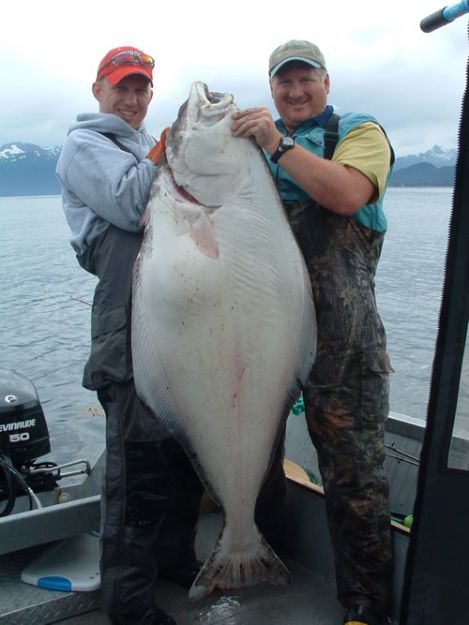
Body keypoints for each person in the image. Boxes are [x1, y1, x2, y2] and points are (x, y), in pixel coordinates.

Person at [232, 40, 394, 625]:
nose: (295, 92)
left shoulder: (359, 132)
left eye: (306, 80)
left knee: (354, 476)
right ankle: (256, 565)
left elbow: (347, 194)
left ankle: (364, 603)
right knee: (255, 457)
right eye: (284, 83)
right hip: (264, 339)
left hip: (344, 346)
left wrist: (275, 143)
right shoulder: (249, 146)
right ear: (271, 87)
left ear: (327, 82)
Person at [56, 46, 204, 625]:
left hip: (177, 318)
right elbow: (132, 201)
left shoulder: (146, 147)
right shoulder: (84, 145)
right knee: (137, 466)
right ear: (98, 90)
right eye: (122, 86)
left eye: (143, 87)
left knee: (182, 453)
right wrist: (173, 152)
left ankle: (174, 560)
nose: (134, 97)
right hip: (127, 317)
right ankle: (130, 602)